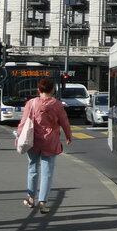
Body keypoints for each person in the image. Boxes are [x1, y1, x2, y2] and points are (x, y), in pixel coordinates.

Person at [17, 77, 72, 215]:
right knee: (47, 172)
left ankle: (31, 199)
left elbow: (24, 122)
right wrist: (68, 135)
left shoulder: (31, 103)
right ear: (52, 90)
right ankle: (43, 203)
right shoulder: (57, 104)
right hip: (50, 141)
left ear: (39, 89)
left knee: (32, 168)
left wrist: (19, 137)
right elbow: (64, 121)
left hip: (33, 140)